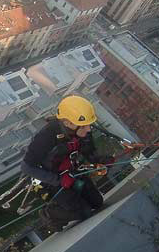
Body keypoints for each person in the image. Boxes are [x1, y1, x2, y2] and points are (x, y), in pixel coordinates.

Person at [20, 96, 111, 231]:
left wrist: (99, 161)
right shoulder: (46, 136)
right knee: (84, 212)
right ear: (67, 122)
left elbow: (88, 149)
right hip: (51, 180)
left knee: (97, 203)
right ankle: (50, 214)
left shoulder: (81, 129)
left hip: (72, 171)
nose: (89, 129)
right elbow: (27, 167)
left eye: (88, 125)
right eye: (84, 126)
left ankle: (75, 199)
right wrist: (57, 180)